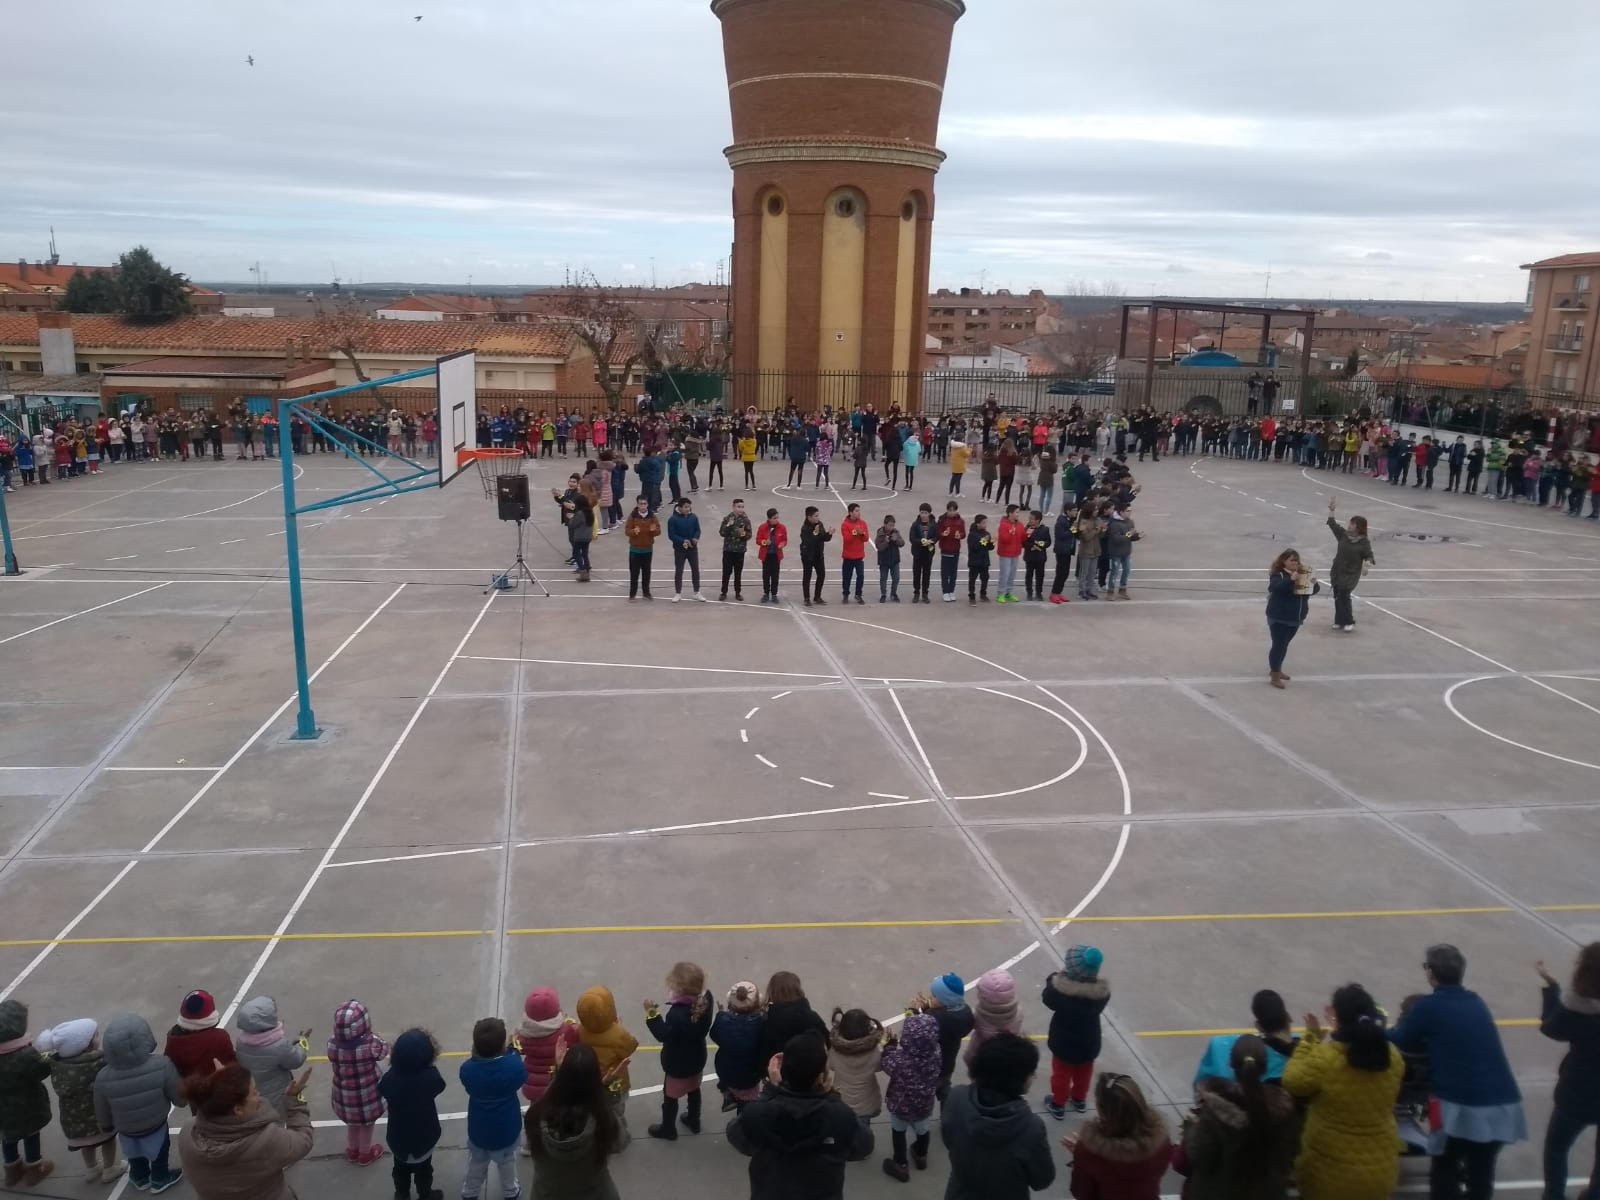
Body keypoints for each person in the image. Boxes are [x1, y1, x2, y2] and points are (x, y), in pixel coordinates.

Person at [1389, 943, 1525, 1200]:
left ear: (1431, 973)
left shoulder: (1429, 1007)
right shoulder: (1476, 1002)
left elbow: (1401, 1039)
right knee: (1480, 1177)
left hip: (1460, 1108)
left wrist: (1368, 1030)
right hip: (1502, 1104)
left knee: (1445, 1169)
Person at [1283, 983, 1404, 1200]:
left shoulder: (1325, 1059)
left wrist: (1309, 1040)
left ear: (1339, 1020)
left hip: (1327, 1178)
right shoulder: (1393, 1057)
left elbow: (1292, 1081)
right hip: (1380, 1173)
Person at [727, 1032, 874, 1200]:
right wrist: (830, 1096)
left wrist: (770, 1091)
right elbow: (864, 1146)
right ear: (822, 1076)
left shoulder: (758, 1114)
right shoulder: (839, 1116)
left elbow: (735, 1135)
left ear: (783, 1072)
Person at [1175, 1033, 1298, 1200]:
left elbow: (1198, 1158)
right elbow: (1288, 1157)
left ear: (1231, 1064)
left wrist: (1191, 1130)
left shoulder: (1215, 1113)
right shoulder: (1284, 1109)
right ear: (1265, 1067)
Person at [942, 1033, 1054, 1200]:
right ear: (1016, 1080)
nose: (1034, 1077)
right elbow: (1042, 1180)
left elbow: (948, 1139)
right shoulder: (1031, 1128)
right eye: (1031, 1072)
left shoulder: (956, 1098)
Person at [178, 1062, 314, 1200]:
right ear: (238, 1109)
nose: (259, 1095)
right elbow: (303, 1140)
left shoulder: (188, 1132)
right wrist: (294, 1102)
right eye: (254, 1092)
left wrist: (224, 1089)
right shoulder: (266, 1141)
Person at [93, 1013, 185, 1193]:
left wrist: (105, 1125)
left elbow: (101, 1105)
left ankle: (139, 1177)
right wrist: (181, 1101)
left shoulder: (103, 1076)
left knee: (133, 1153)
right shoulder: (162, 1064)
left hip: (125, 1129)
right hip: (156, 1124)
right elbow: (176, 1092)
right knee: (159, 1151)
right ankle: (160, 1178)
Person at [1537, 945, 1600, 1200]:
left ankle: (1554, 1195)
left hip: (1578, 1091)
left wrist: (1552, 988)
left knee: (1557, 1147)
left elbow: (1551, 1028)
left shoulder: (1578, 1008)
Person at [524, 1042, 623, 1200]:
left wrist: (557, 1072)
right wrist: (608, 1091)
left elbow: (552, 1097)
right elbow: (619, 1143)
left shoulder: (535, 1116)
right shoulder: (604, 1121)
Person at [36, 1019, 124, 1184]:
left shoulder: (57, 1065)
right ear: (87, 1045)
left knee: (86, 1145)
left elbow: (44, 1060)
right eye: (96, 1036)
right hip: (101, 1116)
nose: (99, 1037)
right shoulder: (100, 1061)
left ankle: (91, 1169)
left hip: (74, 1121)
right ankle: (109, 1168)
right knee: (108, 1140)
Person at [1063, 1072, 1170, 1199]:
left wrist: (1080, 1157)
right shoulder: (1161, 1140)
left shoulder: (1089, 1152)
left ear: (1102, 1110)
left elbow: (1080, 1192)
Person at [643, 962, 715, 1141]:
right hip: (697, 1058)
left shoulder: (677, 1015)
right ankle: (693, 1119)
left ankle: (668, 1129)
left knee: (670, 1096)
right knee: (694, 1089)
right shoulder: (707, 1000)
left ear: (679, 989)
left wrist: (652, 1015)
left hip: (677, 1064)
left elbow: (664, 1035)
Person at [460, 1017, 528, 1200]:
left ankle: (470, 1193)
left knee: (476, 1164)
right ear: (502, 1046)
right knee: (507, 1164)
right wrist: (512, 1049)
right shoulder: (513, 1065)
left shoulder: (468, 1070)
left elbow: (469, 1079)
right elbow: (520, 1075)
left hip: (479, 1130)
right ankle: (510, 1192)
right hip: (506, 1131)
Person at [1042, 945, 1109, 1119]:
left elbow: (1047, 998)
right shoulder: (1101, 994)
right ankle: (1079, 1099)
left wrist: (1054, 979)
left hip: (1064, 1043)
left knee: (1061, 1074)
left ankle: (1058, 1103)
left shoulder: (1061, 993)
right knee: (1084, 1072)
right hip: (1089, 1042)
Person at [379, 1028, 447, 1200]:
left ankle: (402, 1194)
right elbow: (440, 1085)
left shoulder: (390, 1079)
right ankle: (425, 1194)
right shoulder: (430, 1077)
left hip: (398, 1138)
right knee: (424, 1169)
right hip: (424, 1137)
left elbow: (382, 1088)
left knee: (400, 1169)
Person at [1191, 989, 1298, 1088]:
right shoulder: (1309, 1052)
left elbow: (1202, 1087)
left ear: (1258, 1027)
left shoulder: (1223, 1048)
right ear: (1288, 1018)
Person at [879, 1012, 941, 1182]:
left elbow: (886, 1063)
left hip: (901, 1105)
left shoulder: (900, 1060)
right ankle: (921, 1155)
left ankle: (900, 1164)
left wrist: (889, 1047)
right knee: (923, 1129)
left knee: (898, 1132)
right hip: (924, 1104)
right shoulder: (936, 1054)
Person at [328, 999, 388, 1166]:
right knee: (366, 1124)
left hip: (344, 1097)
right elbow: (384, 1051)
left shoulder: (332, 1044)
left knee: (352, 1122)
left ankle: (352, 1149)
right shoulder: (370, 1045)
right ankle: (365, 1153)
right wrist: (372, 1036)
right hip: (367, 1097)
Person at [0, 1000, 53, 1187]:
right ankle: (34, 1169)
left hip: (3, 1111)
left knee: (8, 1137)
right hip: (27, 1105)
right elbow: (42, 1071)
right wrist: (47, 1057)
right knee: (31, 1135)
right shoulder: (25, 1054)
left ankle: (12, 1171)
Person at [575, 987, 636, 1148]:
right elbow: (630, 1048)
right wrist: (620, 1028)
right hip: (615, 1082)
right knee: (616, 1111)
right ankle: (618, 1139)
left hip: (591, 1081)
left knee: (596, 1109)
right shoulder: (618, 1034)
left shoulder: (580, 1030)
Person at [233, 996, 309, 1119]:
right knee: (276, 1126)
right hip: (277, 1095)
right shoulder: (279, 1044)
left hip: (252, 1093)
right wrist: (303, 1045)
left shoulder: (242, 1041)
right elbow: (296, 1060)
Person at [1265, 548, 1318, 689]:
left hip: (1295, 617)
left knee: (1284, 645)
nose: (1295, 562)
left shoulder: (1302, 574)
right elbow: (1275, 588)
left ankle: (1277, 669)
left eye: (1296, 560)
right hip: (1279, 616)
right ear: (1284, 561)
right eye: (1292, 560)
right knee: (1279, 645)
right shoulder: (1278, 575)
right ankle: (1275, 675)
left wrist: (1314, 583)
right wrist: (1291, 580)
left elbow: (1310, 592)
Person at [712, 982, 766, 1115]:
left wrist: (721, 1015)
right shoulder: (762, 1023)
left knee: (726, 1077)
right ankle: (742, 1122)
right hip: (750, 1075)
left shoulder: (722, 1020)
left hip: (726, 1070)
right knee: (746, 1104)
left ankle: (728, 1096)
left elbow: (715, 1036)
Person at [757, 972, 830, 1069]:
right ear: (798, 990)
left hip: (777, 1070)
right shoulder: (812, 1017)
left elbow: (761, 1050)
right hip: (807, 1070)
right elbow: (828, 1042)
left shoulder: (767, 1020)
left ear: (772, 992)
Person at [827, 1007, 884, 1126]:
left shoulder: (835, 1050)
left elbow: (831, 1066)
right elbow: (879, 1067)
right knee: (864, 1130)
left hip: (843, 1101)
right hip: (866, 1103)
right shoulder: (874, 1051)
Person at [1325, 498, 1373, 632]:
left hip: (1351, 573)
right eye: (1351, 523)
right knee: (1337, 596)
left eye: (1353, 524)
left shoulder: (1363, 542)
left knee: (1344, 596)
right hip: (1337, 571)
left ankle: (1349, 621)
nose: (1350, 525)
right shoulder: (1343, 535)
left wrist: (1367, 565)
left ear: (1359, 527)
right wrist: (1331, 510)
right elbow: (1332, 524)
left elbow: (1369, 555)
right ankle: (1338, 620)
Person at [963, 969, 1022, 1069]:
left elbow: (964, 1030)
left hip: (980, 1054)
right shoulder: (1019, 1012)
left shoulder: (976, 1015)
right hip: (1010, 1052)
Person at [667, 497, 706, 603]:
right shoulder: (673, 519)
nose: (688, 509)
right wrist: (683, 540)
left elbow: (698, 530)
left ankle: (697, 592)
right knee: (679, 570)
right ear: (679, 507)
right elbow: (671, 535)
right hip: (679, 549)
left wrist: (696, 538)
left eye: (689, 507)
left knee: (695, 570)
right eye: (685, 507)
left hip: (692, 548)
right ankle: (678, 593)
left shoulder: (693, 517)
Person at [624, 495, 660, 601]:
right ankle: (632, 594)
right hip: (635, 549)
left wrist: (654, 530)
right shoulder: (632, 516)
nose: (643, 506)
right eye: (640, 504)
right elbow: (627, 531)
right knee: (634, 573)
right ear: (637, 504)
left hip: (648, 549)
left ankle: (646, 592)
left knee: (646, 572)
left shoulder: (652, 516)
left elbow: (658, 531)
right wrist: (633, 532)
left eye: (644, 504)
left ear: (647, 504)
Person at [798, 506, 833, 607]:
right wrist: (815, 533)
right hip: (808, 555)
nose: (818, 518)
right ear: (809, 517)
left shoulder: (819, 524)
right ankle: (807, 598)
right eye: (815, 516)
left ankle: (817, 596)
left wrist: (829, 534)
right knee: (807, 576)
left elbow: (823, 538)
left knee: (821, 575)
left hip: (818, 554)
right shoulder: (805, 528)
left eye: (818, 515)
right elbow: (809, 542)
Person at [719, 498, 752, 601]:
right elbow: (722, 533)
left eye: (742, 507)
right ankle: (723, 592)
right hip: (728, 550)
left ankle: (738, 592)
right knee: (726, 572)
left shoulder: (746, 520)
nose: (740, 509)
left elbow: (749, 534)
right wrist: (729, 525)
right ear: (733, 507)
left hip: (739, 550)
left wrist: (742, 534)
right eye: (738, 507)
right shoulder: (727, 518)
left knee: (738, 573)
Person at [1102, 505, 1138, 600]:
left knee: (1126, 570)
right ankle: (1110, 591)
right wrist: (1130, 534)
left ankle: (1122, 589)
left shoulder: (1130, 522)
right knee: (1114, 571)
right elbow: (1116, 538)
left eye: (1130, 510)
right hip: (1116, 552)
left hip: (1126, 551)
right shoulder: (1114, 524)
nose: (1129, 512)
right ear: (1121, 512)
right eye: (1127, 511)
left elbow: (1130, 537)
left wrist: (1136, 536)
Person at [839, 502, 870, 604]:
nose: (859, 512)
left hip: (859, 556)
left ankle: (858, 594)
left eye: (859, 510)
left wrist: (862, 533)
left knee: (860, 576)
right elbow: (847, 539)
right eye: (856, 511)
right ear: (851, 512)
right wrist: (855, 532)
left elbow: (866, 539)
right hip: (848, 556)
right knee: (847, 576)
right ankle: (846, 594)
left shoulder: (863, 523)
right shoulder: (845, 524)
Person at [993, 505, 1024, 603]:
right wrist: (1011, 533)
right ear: (1010, 513)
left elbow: (1023, 538)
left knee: (1012, 574)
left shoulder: (1019, 524)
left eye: (1018, 512)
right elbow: (1004, 540)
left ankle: (1008, 592)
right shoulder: (1004, 525)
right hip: (1005, 553)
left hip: (1015, 552)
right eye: (1016, 512)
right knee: (1004, 574)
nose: (1018, 514)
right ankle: (1000, 593)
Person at [756, 507, 788, 604]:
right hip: (766, 556)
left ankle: (774, 594)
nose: (776, 520)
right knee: (765, 575)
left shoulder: (782, 527)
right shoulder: (762, 527)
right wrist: (765, 542)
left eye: (777, 518)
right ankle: (766, 593)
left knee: (775, 576)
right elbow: (758, 540)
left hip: (776, 555)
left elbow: (785, 539)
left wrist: (782, 544)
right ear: (769, 518)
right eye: (774, 518)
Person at [936, 501, 966, 602]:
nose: (952, 512)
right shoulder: (942, 520)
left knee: (953, 573)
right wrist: (942, 534)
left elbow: (963, 533)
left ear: (957, 510)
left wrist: (960, 535)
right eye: (950, 510)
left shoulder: (960, 521)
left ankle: (951, 591)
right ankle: (945, 592)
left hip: (955, 549)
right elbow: (937, 533)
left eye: (954, 510)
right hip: (945, 549)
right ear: (947, 510)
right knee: (945, 572)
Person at [1075, 504, 1106, 600]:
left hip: (1095, 550)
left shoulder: (1098, 520)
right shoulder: (1084, 522)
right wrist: (1096, 529)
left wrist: (1103, 530)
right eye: (1095, 510)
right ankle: (1082, 590)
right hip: (1086, 550)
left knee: (1092, 572)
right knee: (1084, 572)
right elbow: (1086, 537)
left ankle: (1089, 590)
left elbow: (1101, 536)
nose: (1097, 511)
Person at [875, 514, 904, 602]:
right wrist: (886, 542)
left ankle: (893, 593)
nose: (891, 527)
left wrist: (897, 540)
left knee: (896, 577)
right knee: (883, 578)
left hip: (894, 560)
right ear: (885, 524)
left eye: (893, 525)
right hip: (884, 560)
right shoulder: (880, 533)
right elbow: (879, 547)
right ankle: (883, 594)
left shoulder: (896, 532)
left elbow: (902, 543)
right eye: (890, 525)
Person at [967, 514, 993, 604]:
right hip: (974, 561)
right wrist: (984, 540)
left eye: (986, 522)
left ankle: (983, 594)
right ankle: (971, 596)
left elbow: (989, 547)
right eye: (983, 522)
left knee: (985, 578)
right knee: (972, 579)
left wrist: (991, 543)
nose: (985, 524)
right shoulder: (972, 534)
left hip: (984, 561)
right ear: (977, 524)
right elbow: (974, 547)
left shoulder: (986, 533)